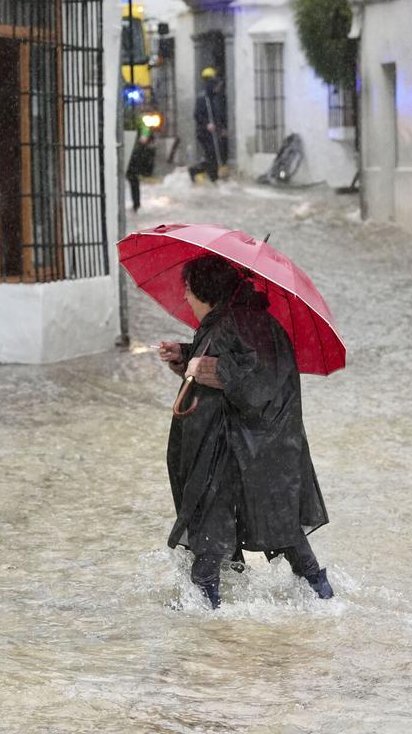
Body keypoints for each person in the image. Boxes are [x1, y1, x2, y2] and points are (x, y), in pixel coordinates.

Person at [158, 254, 332, 609]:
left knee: (210, 532)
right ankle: (324, 598)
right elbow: (241, 359)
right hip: (260, 447)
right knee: (281, 528)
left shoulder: (233, 322)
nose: (186, 298)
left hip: (239, 449)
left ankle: (207, 626)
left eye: (189, 290)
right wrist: (186, 354)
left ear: (204, 291)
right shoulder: (240, 319)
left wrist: (210, 369)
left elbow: (255, 379)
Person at [187, 67, 228, 184]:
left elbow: (218, 116)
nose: (218, 88)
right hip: (204, 133)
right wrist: (206, 125)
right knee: (211, 156)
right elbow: (197, 115)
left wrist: (222, 128)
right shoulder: (203, 99)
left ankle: (209, 176)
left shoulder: (215, 99)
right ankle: (209, 176)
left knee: (213, 155)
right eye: (217, 86)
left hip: (214, 132)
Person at [126, 116, 156, 212]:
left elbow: (144, 128)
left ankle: (136, 204)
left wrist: (144, 136)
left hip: (132, 151)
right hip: (125, 150)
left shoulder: (133, 115)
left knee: (133, 177)